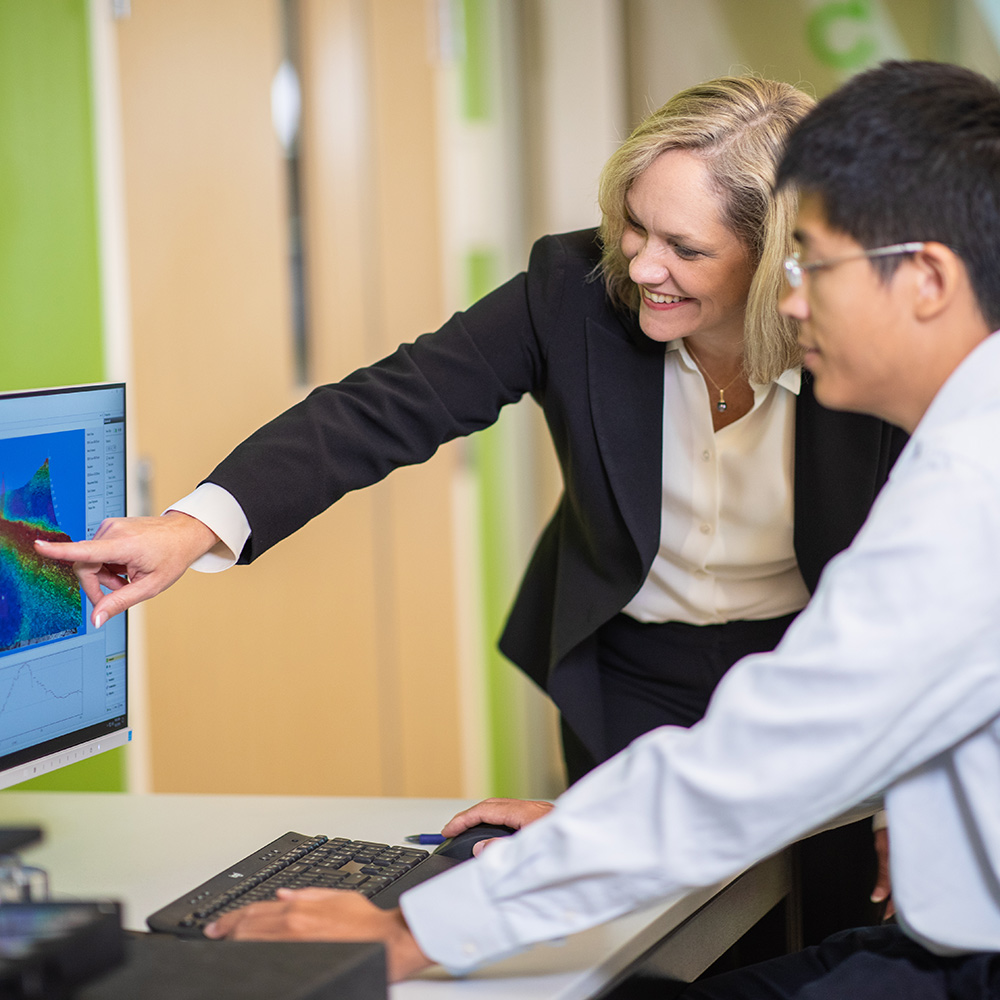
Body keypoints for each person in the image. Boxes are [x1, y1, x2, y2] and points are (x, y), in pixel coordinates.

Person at [201, 59, 1000, 997]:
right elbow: (392, 403)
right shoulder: (964, 439)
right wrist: (594, 833)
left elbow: (785, 750)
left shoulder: (961, 490)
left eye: (812, 266)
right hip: (653, 680)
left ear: (926, 280)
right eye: (636, 227)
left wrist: (412, 931)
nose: (795, 299)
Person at [38, 76, 901, 937]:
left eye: (685, 247)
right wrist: (192, 527)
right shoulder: (572, 289)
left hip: (815, 670)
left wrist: (908, 790)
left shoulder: (865, 338)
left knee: (828, 925)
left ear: (775, 255)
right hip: (632, 673)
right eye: (635, 225)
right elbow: (388, 405)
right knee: (647, 939)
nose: (642, 265)